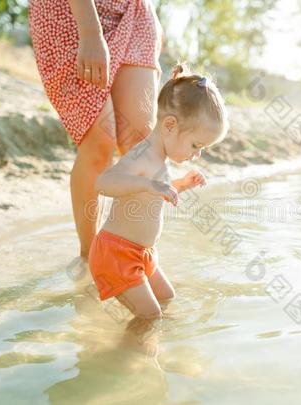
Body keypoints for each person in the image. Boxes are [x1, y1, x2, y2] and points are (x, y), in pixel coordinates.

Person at [28, 0, 164, 267]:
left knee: (141, 146)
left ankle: (134, 257)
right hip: (69, 12)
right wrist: (90, 32)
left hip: (134, 12)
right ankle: (92, 259)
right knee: (99, 143)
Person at [89, 63, 229, 319]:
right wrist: (149, 184)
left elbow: (153, 194)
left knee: (167, 298)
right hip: (116, 253)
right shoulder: (142, 156)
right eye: (196, 145)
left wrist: (180, 185)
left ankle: (149, 342)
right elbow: (104, 183)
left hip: (142, 253)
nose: (197, 154)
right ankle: (130, 354)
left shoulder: (159, 160)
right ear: (169, 126)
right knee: (150, 314)